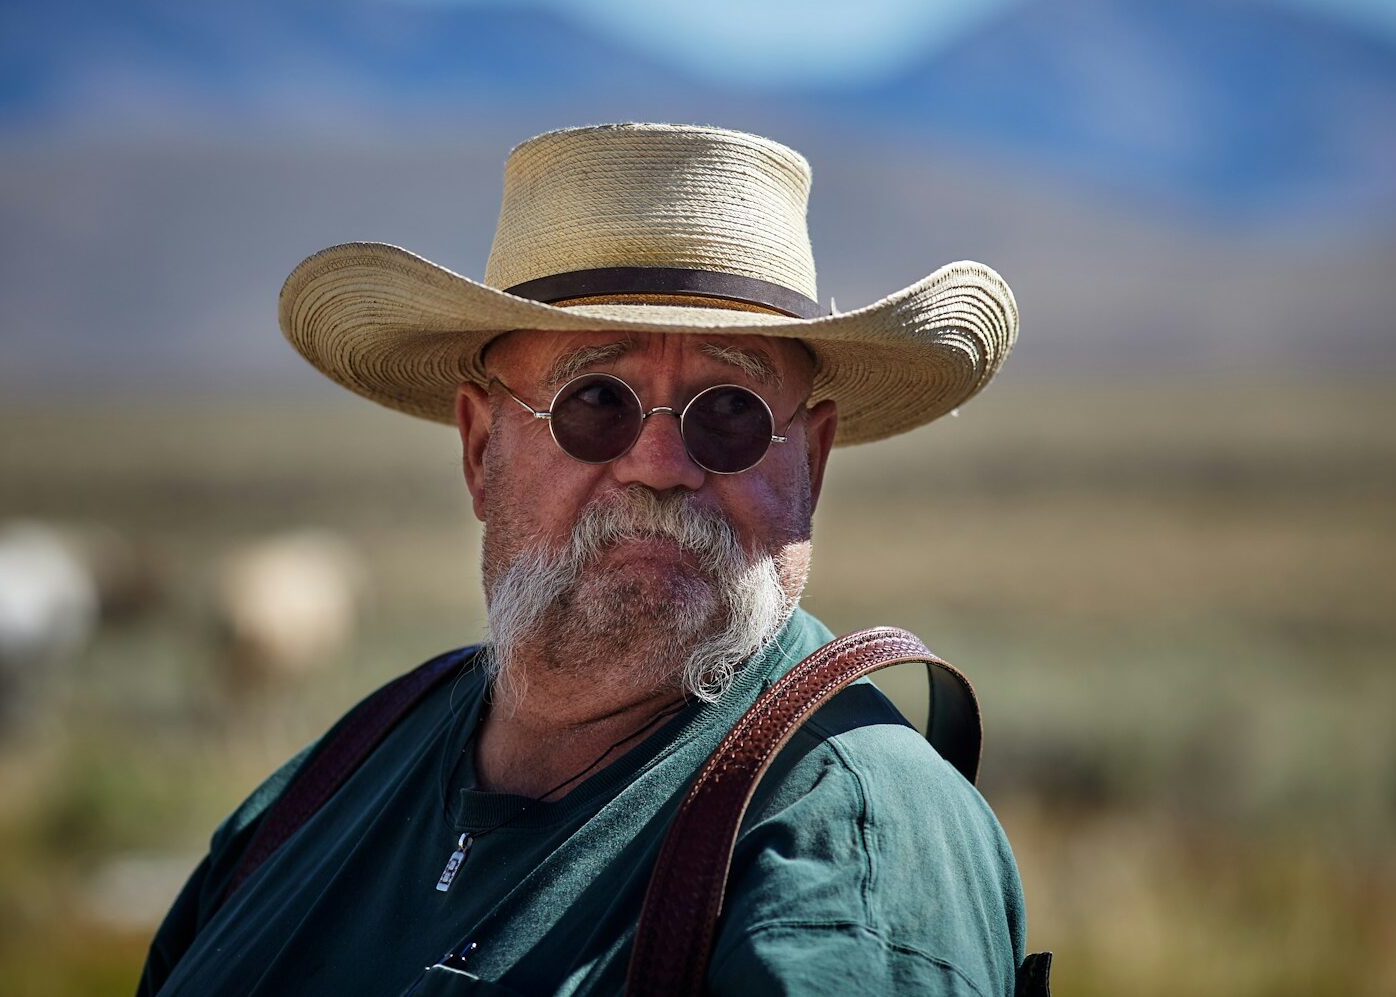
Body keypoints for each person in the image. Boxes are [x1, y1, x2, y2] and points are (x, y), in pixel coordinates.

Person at [138, 122, 1029, 996]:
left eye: (731, 413)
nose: (659, 465)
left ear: (813, 463)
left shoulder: (842, 849)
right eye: (595, 400)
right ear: (480, 448)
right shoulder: (324, 789)